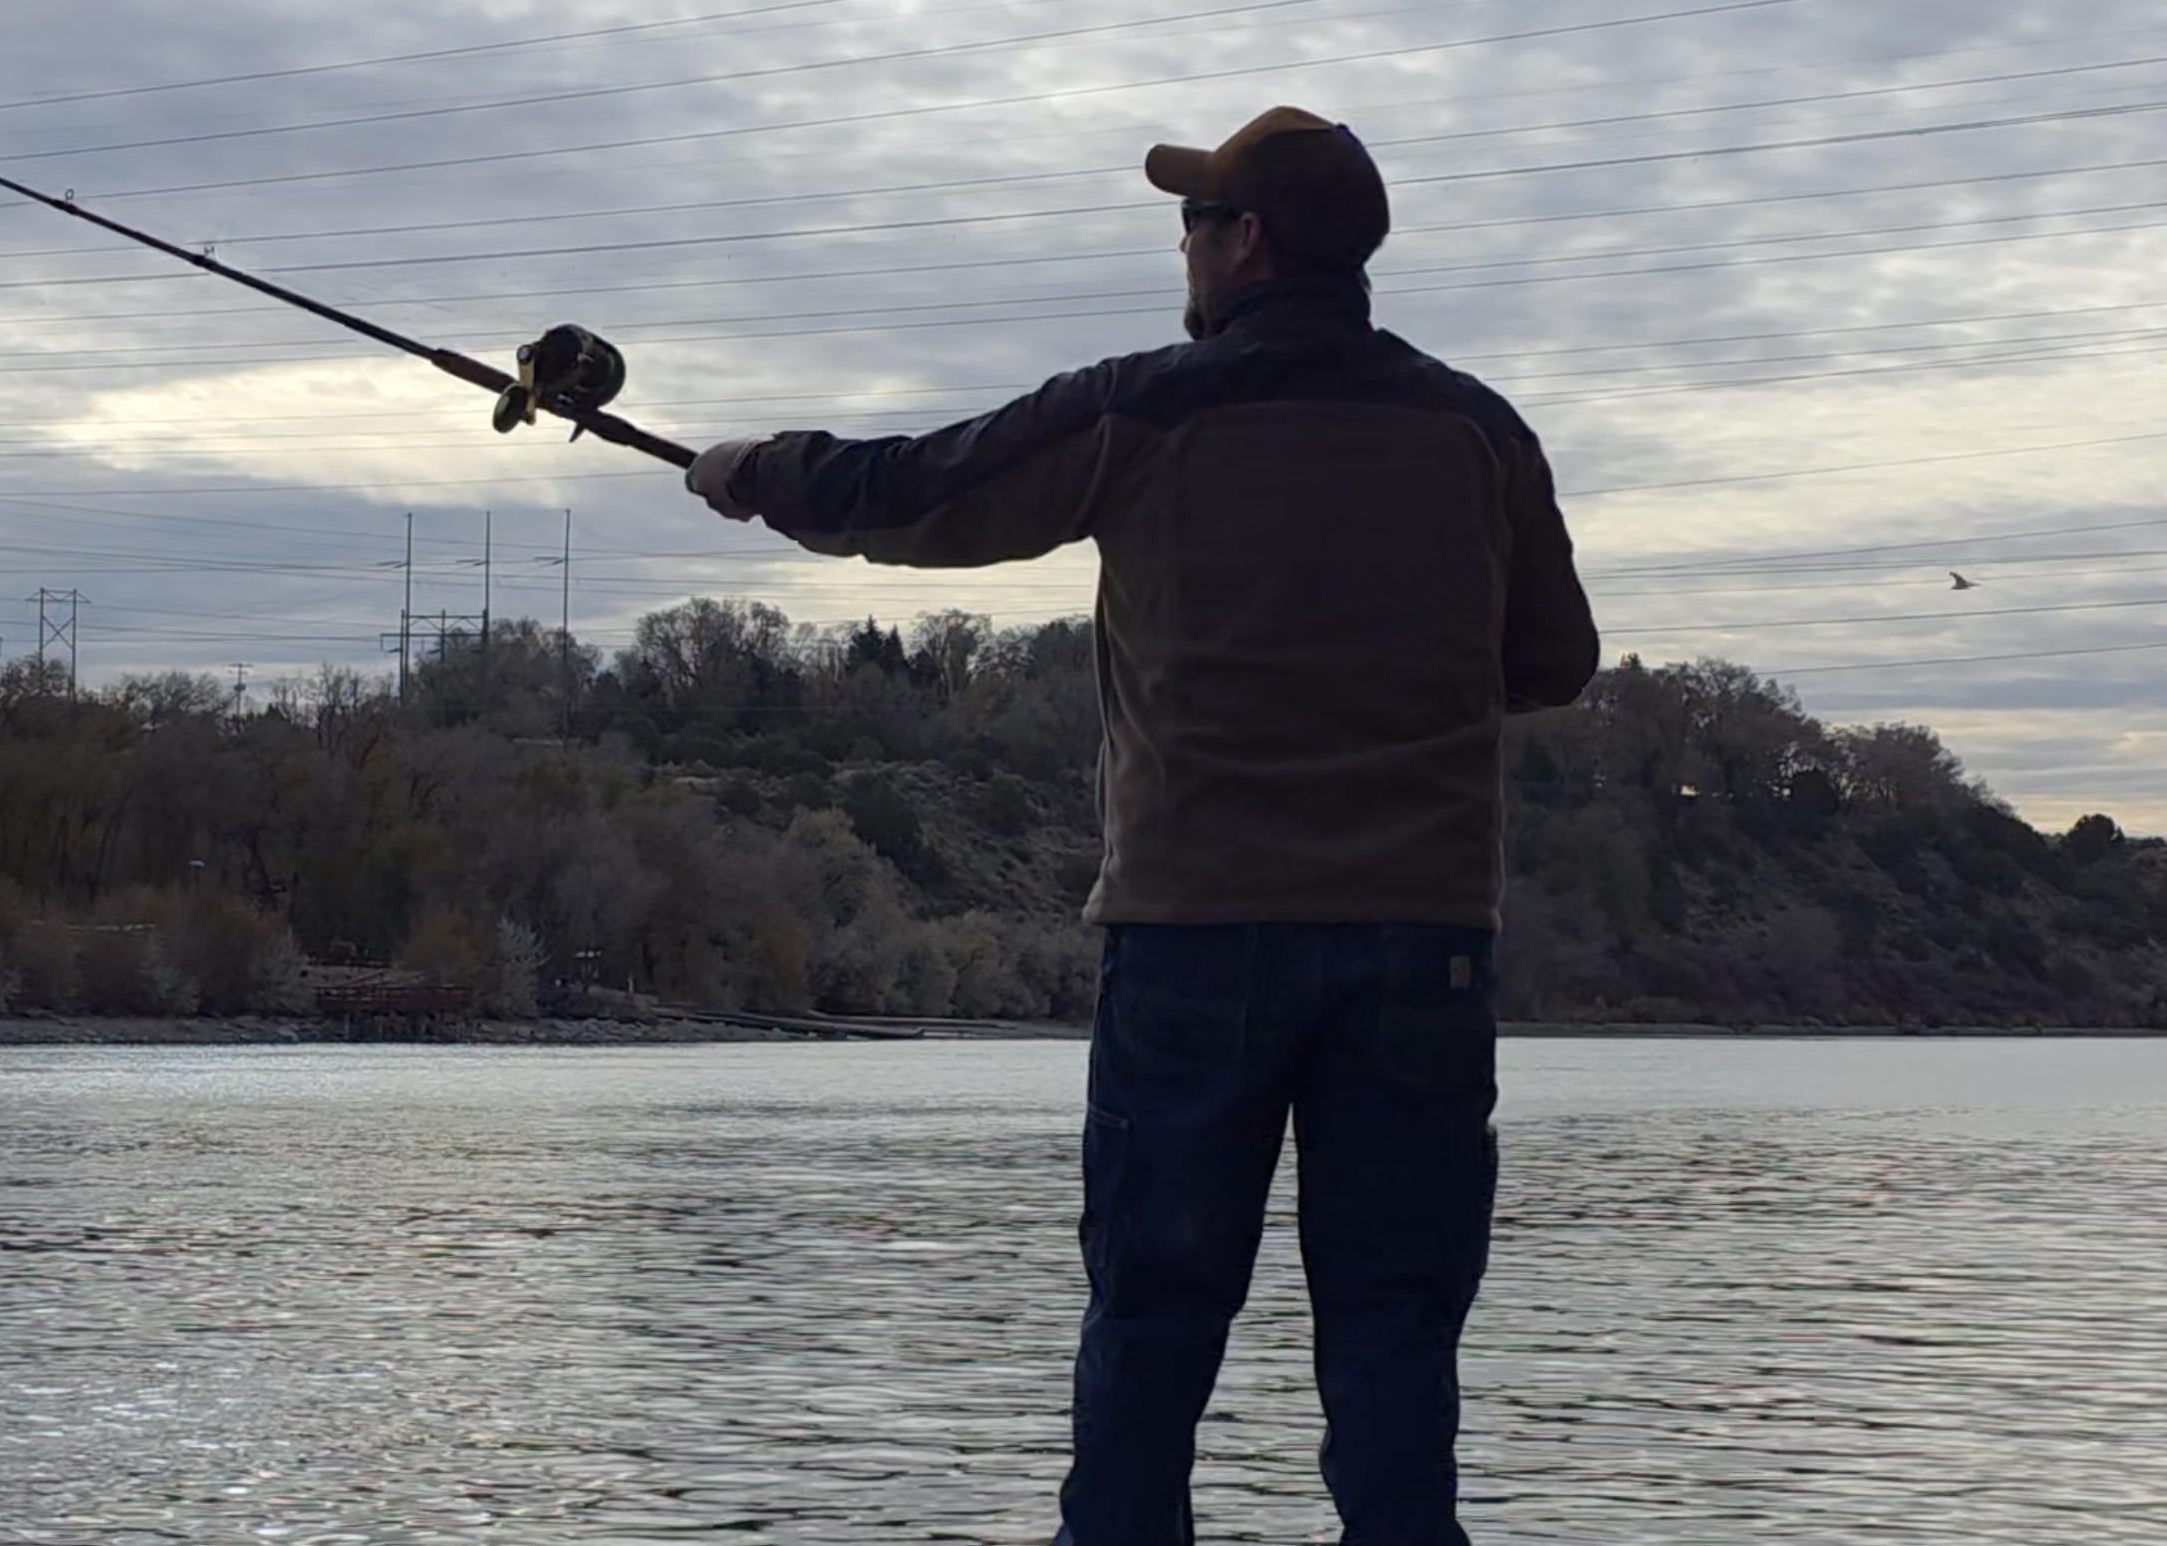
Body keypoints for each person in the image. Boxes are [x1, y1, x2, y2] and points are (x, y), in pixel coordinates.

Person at [682, 106, 1597, 1546]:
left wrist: (746, 468)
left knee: (1154, 1326)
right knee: (1395, 1341)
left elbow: (915, 491)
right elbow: (1552, 662)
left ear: (1242, 244)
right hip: (1425, 955)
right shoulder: (1477, 431)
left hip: (1195, 943)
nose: (1179, 246)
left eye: (1191, 222)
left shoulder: (1151, 409)